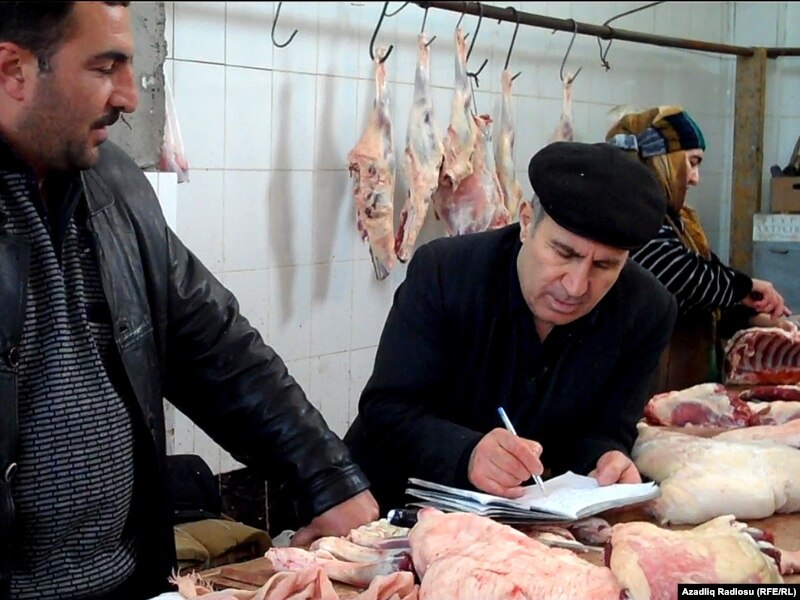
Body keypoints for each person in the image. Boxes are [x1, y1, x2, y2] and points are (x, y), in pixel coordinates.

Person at [0, 3, 377, 598]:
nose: (130, 96)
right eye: (105, 67)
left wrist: (329, 478)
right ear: (13, 70)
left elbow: (215, 347)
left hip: (129, 584)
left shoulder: (116, 188)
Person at [343, 141, 678, 515]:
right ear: (526, 222)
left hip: (523, 522)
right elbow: (387, 410)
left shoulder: (646, 309)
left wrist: (606, 460)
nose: (575, 286)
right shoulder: (445, 272)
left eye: (604, 266)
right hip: (388, 506)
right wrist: (467, 452)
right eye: (563, 253)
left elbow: (607, 429)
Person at [605, 105, 792, 394]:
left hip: (674, 387)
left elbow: (702, 293)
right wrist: (746, 286)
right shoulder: (629, 215)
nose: (695, 178)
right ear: (662, 160)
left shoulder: (674, 220)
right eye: (691, 162)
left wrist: (752, 315)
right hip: (638, 391)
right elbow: (680, 275)